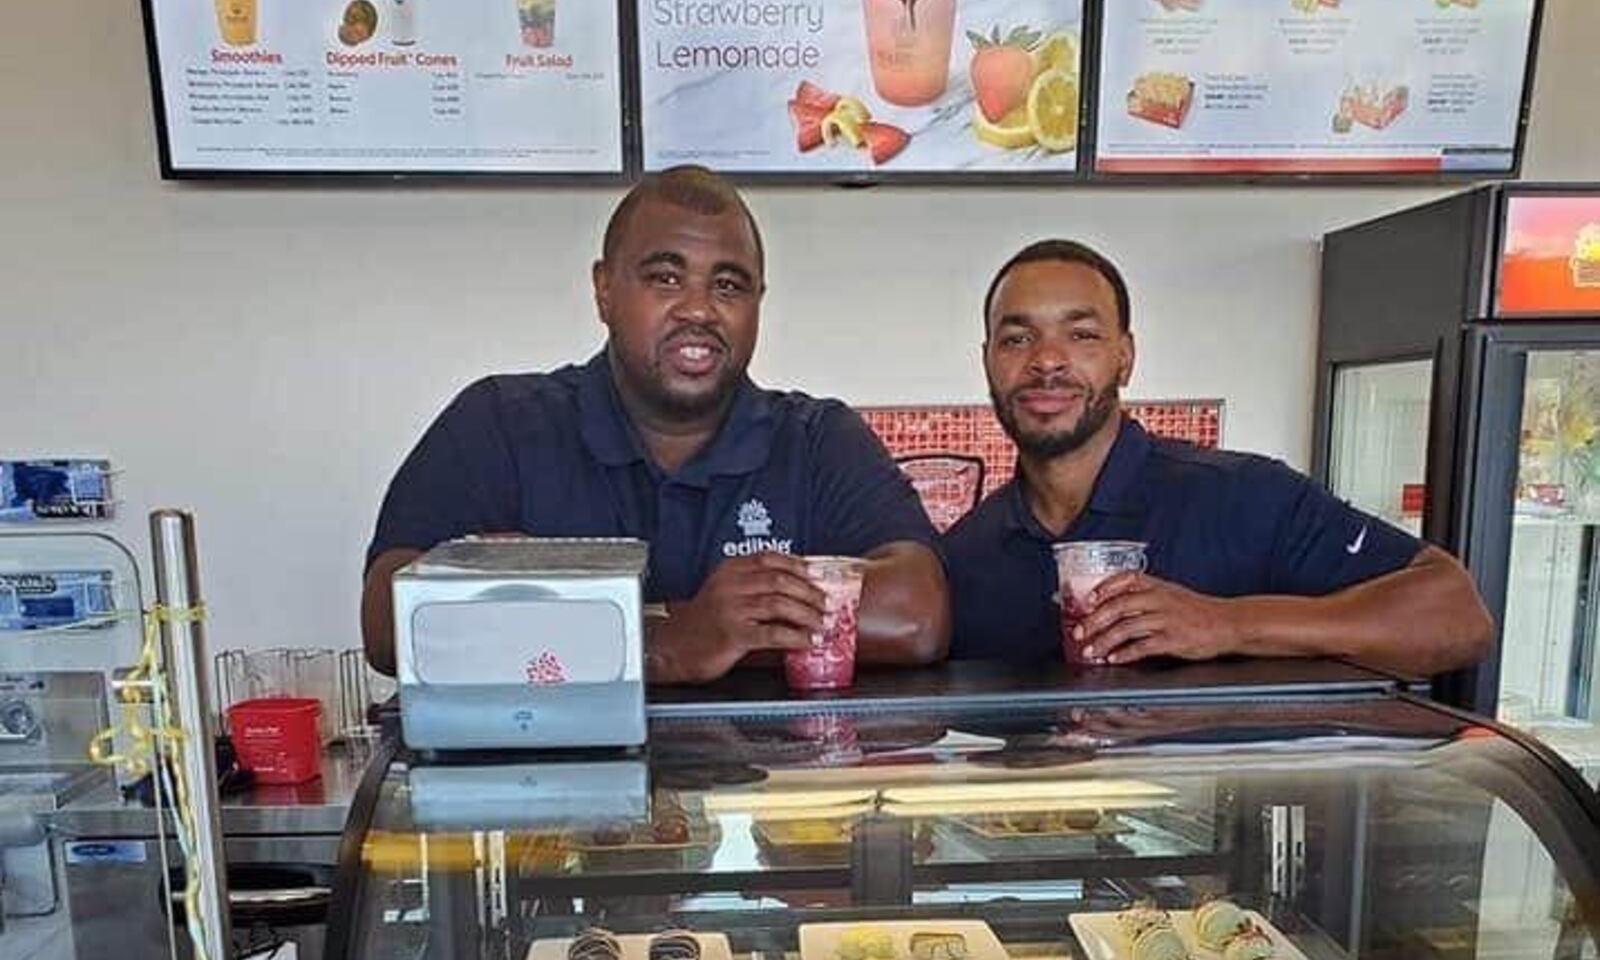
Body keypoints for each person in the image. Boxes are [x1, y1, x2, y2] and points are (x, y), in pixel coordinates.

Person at [362, 167, 948, 682]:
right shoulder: (500, 424)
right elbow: (393, 622)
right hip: (546, 793)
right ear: (604, 290)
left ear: (758, 302)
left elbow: (915, 616)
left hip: (763, 796)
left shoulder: (817, 438)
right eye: (665, 278)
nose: (698, 309)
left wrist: (721, 636)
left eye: (728, 285)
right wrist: (669, 640)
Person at [942, 240, 1493, 677]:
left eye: (1081, 334)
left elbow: (1455, 614)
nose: (1047, 361)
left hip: (1230, 820)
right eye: (1017, 340)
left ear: (1125, 358)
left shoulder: (1244, 497)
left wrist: (1231, 623)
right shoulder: (966, 554)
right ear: (988, 361)